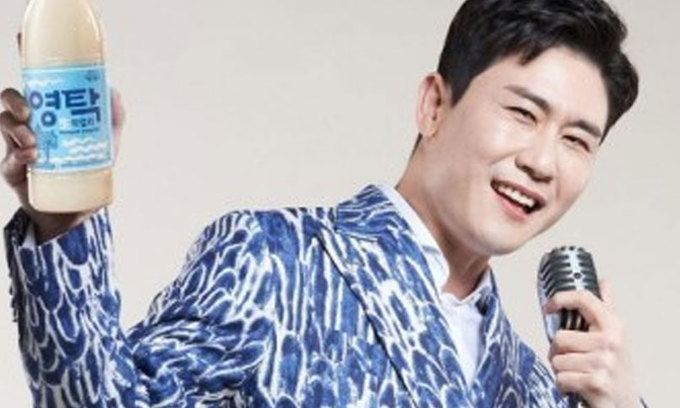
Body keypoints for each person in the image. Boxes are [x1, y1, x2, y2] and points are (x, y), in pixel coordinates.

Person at [0, 0, 645, 406]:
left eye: (576, 140)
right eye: (522, 113)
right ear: (434, 105)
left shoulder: (535, 385)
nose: (542, 161)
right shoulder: (274, 263)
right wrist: (65, 222)